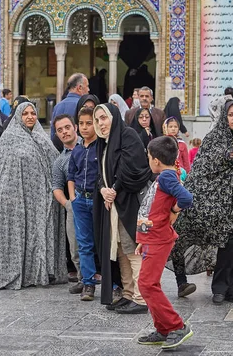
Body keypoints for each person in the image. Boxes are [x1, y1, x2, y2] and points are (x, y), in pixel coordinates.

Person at [170, 100, 233, 304]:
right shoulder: (214, 138)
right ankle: (219, 288)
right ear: (224, 116)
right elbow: (203, 167)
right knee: (228, 243)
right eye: (231, 114)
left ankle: (231, 289)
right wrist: (229, 155)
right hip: (220, 204)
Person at [0, 102, 67, 289]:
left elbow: (56, 163)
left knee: (38, 235)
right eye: (25, 113)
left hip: (42, 199)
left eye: (33, 113)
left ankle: (41, 271)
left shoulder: (42, 137)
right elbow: (4, 172)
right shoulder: (9, 138)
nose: (30, 117)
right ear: (18, 116)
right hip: (18, 199)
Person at [136, 136, 194, 349]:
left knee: (146, 284)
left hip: (159, 238)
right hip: (152, 238)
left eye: (149, 157)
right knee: (150, 284)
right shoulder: (166, 175)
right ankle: (162, 329)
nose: (149, 160)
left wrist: (174, 210)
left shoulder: (167, 177)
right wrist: (143, 239)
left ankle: (176, 326)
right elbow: (153, 209)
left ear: (157, 160)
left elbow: (186, 198)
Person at [93, 103, 152, 314]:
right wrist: (103, 190)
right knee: (120, 250)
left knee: (132, 248)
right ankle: (128, 293)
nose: (101, 123)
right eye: (98, 119)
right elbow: (100, 173)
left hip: (129, 203)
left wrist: (114, 190)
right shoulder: (104, 143)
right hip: (113, 205)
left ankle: (141, 297)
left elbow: (133, 168)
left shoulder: (128, 136)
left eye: (104, 118)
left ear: (113, 117)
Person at [67, 107, 100, 301]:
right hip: (80, 199)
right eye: (82, 124)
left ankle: (113, 284)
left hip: (97, 200)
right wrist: (73, 196)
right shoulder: (77, 149)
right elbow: (71, 174)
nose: (85, 127)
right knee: (84, 243)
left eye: (89, 123)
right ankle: (88, 284)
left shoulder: (102, 148)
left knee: (102, 242)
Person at [51, 114, 83, 289]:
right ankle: (82, 279)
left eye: (67, 127)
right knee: (75, 245)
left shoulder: (91, 148)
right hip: (74, 206)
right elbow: (56, 186)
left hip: (97, 203)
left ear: (75, 127)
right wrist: (67, 204)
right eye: (60, 130)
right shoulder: (59, 161)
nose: (64, 132)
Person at [50, 73, 89, 140]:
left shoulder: (57, 106)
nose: (88, 89)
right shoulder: (83, 105)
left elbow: (53, 132)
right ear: (79, 88)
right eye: (87, 86)